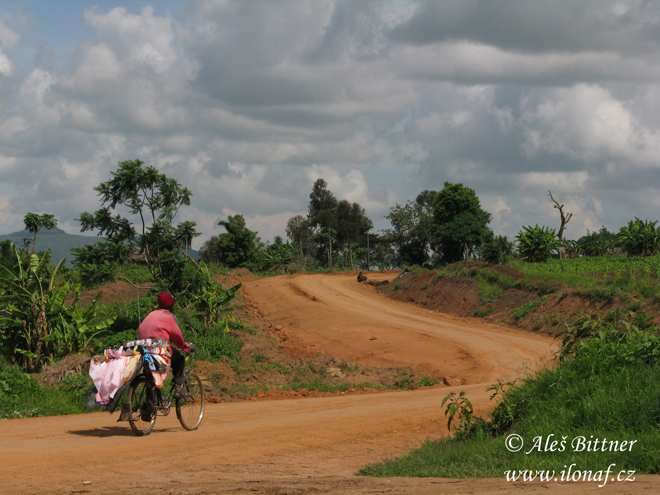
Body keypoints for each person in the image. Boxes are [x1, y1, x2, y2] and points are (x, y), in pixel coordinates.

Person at [138, 292, 194, 398]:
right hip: (159, 349)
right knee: (180, 359)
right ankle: (178, 389)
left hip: (144, 349)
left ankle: (149, 403)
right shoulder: (168, 317)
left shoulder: (151, 314)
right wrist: (186, 346)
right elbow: (177, 338)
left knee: (149, 375)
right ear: (171, 305)